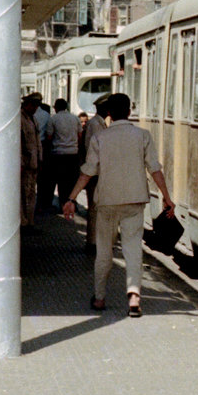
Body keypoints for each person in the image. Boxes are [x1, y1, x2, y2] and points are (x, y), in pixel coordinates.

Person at [62, 93, 173, 317]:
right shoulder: (142, 136)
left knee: (104, 253)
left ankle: (100, 298)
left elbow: (88, 172)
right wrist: (166, 197)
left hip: (107, 203)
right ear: (129, 111)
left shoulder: (99, 139)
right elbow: (155, 169)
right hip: (135, 201)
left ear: (109, 113)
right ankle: (133, 296)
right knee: (133, 250)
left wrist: (71, 198)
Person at [79, 93, 110, 254]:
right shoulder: (95, 124)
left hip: (97, 172)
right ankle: (92, 243)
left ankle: (95, 241)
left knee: (97, 208)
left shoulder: (99, 123)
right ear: (103, 108)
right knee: (94, 209)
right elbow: (94, 148)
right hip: (95, 173)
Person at [48, 99, 82, 218]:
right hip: (73, 153)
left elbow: (49, 136)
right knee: (72, 180)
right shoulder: (75, 118)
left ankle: (63, 204)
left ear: (56, 107)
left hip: (58, 154)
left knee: (61, 181)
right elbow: (79, 135)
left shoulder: (53, 119)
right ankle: (73, 202)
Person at [20, 93, 42, 229]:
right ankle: (24, 222)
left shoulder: (33, 120)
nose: (35, 108)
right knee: (23, 194)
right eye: (33, 105)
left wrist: (40, 160)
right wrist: (21, 163)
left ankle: (30, 221)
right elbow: (20, 143)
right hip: (25, 163)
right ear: (26, 104)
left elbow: (37, 142)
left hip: (33, 163)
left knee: (31, 194)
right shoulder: (20, 119)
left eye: (36, 106)